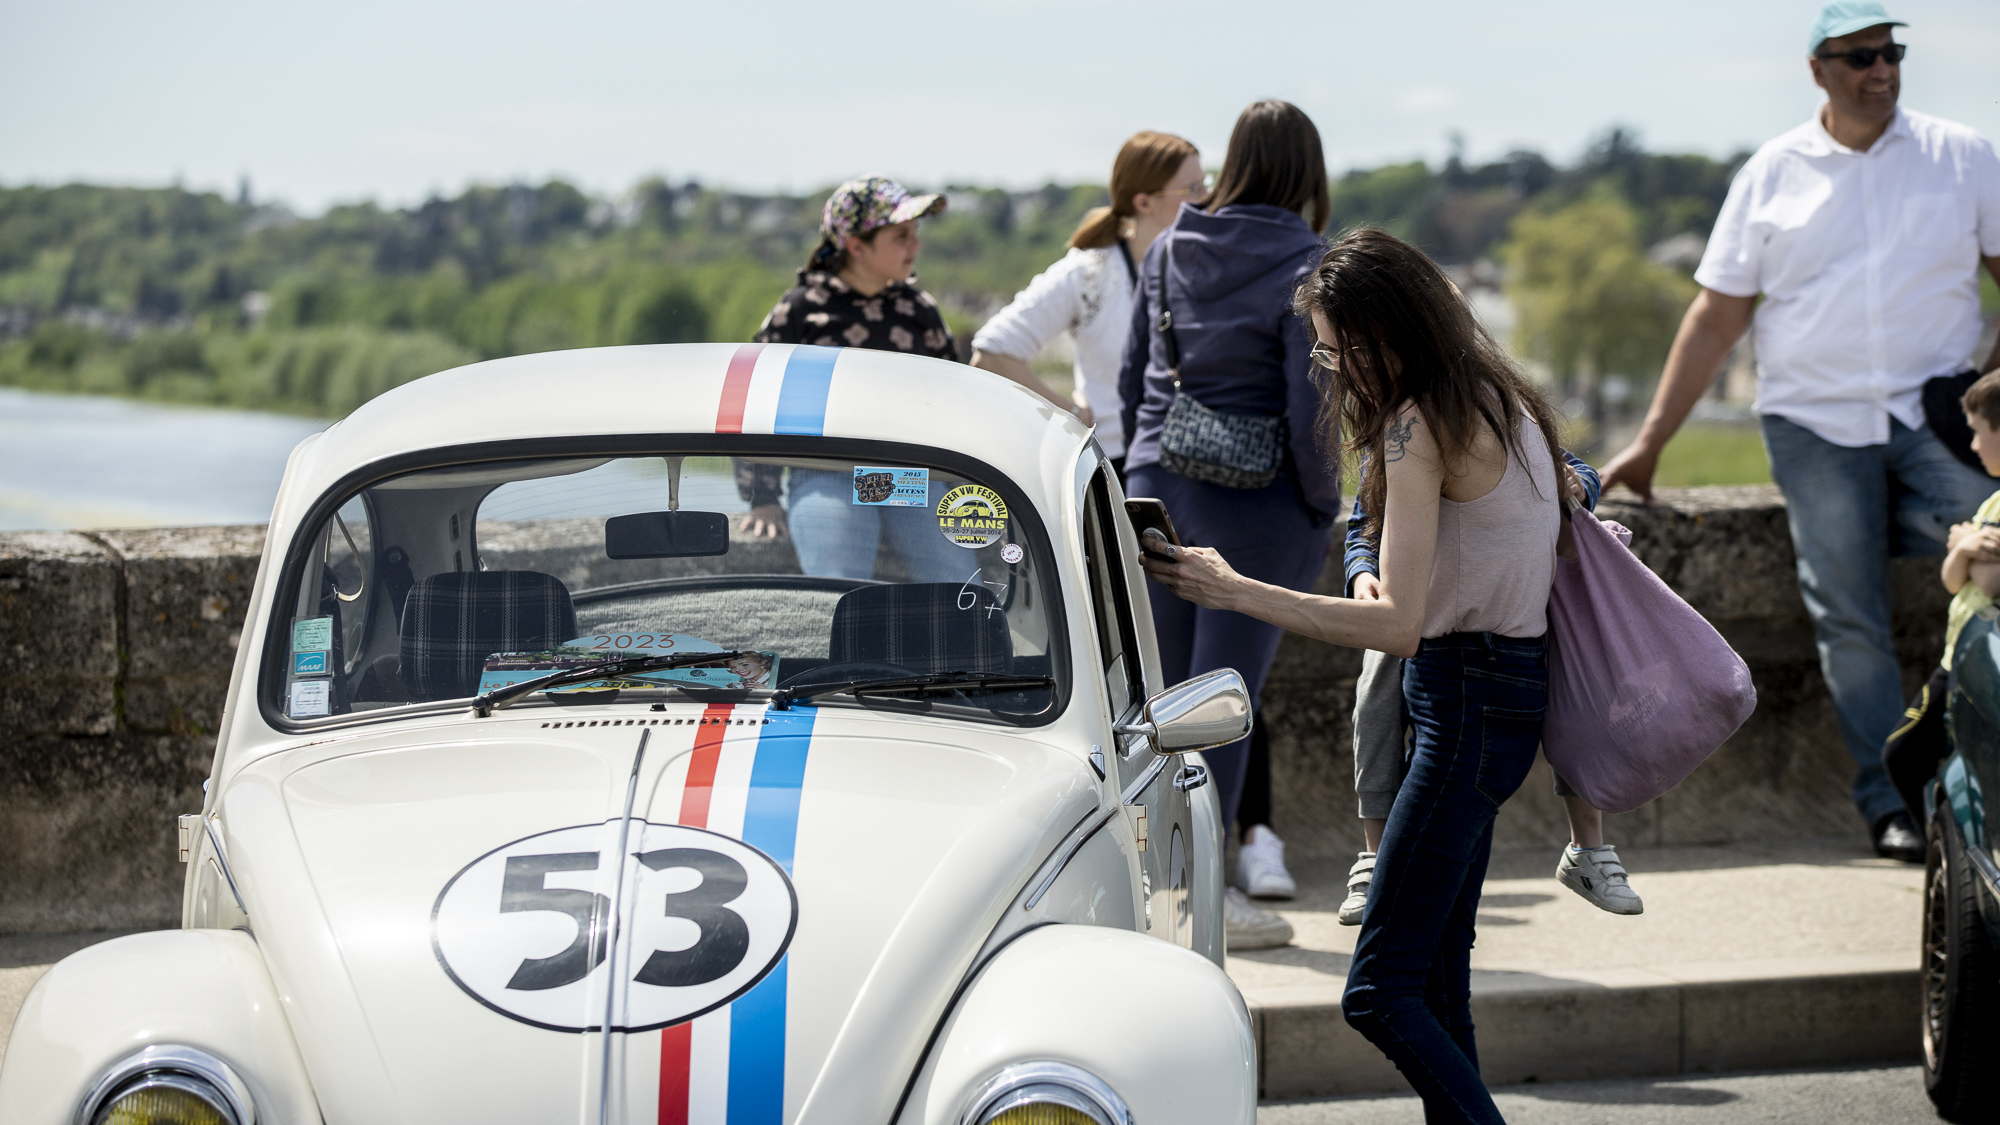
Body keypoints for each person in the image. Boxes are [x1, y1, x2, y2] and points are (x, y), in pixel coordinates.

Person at [1144, 226, 1567, 1124]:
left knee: (1375, 991)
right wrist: (1372, 567)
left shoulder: (1418, 424)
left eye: (1339, 351)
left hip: (1460, 703)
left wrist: (1234, 589)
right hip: (1504, 696)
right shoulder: (1500, 396)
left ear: (1387, 330)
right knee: (1439, 986)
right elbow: (1451, 563)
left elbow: (1399, 627)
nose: (1336, 371)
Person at [1598, 2, 2000, 862]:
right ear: (1817, 67)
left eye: (1891, 52)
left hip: (1936, 412)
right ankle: (1894, 799)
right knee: (1848, 609)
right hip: (1814, 421)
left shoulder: (1962, 156)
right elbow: (1716, 316)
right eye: (1859, 57)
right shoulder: (1771, 173)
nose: (1881, 70)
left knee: (1993, 546)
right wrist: (1653, 436)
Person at [1117, 100, 1342, 949]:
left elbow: (1139, 377)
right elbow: (1309, 402)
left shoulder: (1171, 245)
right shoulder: (1309, 261)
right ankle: (1203, 897)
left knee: (1164, 700)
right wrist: (1323, 507)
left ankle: (1149, 884)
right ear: (1306, 173)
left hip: (1158, 482)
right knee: (1223, 706)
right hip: (1263, 501)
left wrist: (1143, 469)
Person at [1338, 456, 1646, 925]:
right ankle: (1374, 855)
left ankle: (1589, 845)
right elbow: (1364, 527)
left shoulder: (1502, 414)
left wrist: (1577, 485)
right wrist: (1363, 577)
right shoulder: (1396, 433)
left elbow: (1579, 469)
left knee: (1575, 691)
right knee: (1375, 693)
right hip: (1416, 602)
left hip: (1505, 602)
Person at [737, 176, 965, 581]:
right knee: (840, 586)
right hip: (827, 472)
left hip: (905, 477)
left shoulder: (920, 311)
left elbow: (958, 404)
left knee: (960, 586)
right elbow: (758, 403)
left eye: (915, 234)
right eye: (901, 236)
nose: (915, 246)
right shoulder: (800, 310)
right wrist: (763, 497)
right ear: (857, 246)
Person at [971, 131, 1206, 474]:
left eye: (1206, 184)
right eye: (1193, 190)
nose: (1209, 199)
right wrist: (1071, 415)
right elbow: (991, 355)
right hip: (1112, 472)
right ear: (1144, 203)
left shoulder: (1206, 267)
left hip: (1197, 466)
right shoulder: (1091, 273)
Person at [1884, 373, 2000, 825]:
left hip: (1979, 664)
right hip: (1956, 658)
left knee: (1908, 755)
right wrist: (1966, 547)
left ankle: (1946, 849)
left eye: (1978, 432)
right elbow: (1954, 580)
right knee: (1903, 754)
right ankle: (1941, 844)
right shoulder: (1992, 503)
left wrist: (1968, 545)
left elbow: (1989, 582)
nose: (1971, 446)